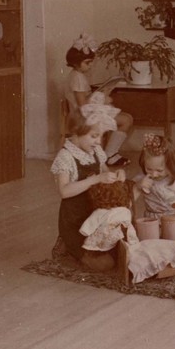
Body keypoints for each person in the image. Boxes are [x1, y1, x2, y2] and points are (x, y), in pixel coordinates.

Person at [50, 106, 126, 272]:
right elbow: (64, 191)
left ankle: (80, 250)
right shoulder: (65, 157)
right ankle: (67, 246)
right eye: (94, 136)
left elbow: (104, 172)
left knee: (119, 256)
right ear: (77, 132)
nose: (99, 142)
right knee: (105, 264)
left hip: (94, 214)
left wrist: (116, 175)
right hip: (75, 221)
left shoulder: (95, 151)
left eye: (101, 136)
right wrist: (95, 179)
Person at [64, 33, 133, 167]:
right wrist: (100, 96)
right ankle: (109, 155)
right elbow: (83, 106)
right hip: (83, 117)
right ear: (76, 63)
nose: (90, 66)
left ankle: (109, 154)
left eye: (91, 62)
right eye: (87, 63)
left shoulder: (78, 75)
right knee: (126, 120)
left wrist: (102, 93)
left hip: (88, 113)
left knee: (127, 118)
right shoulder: (77, 78)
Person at [134, 134, 175, 241]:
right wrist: (138, 187)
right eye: (149, 169)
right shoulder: (143, 179)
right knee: (162, 236)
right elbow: (130, 198)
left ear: (172, 165)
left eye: (159, 170)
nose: (154, 174)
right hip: (160, 222)